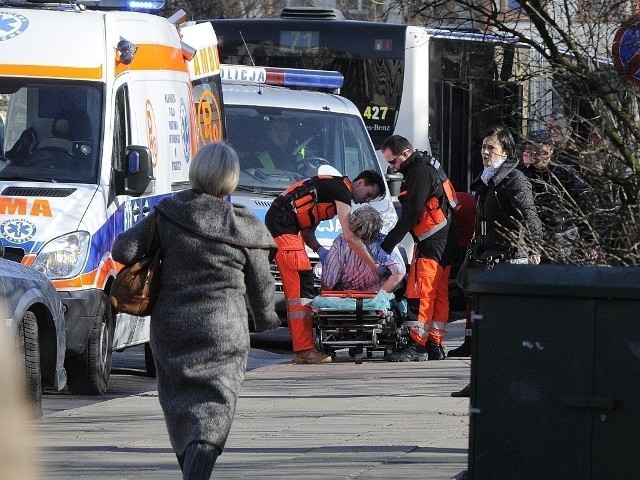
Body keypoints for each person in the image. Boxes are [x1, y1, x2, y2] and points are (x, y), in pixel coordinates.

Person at [112, 142, 279, 479]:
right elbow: (262, 285)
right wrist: (265, 320)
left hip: (171, 326)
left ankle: (192, 470)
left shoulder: (170, 211)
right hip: (224, 328)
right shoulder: (243, 225)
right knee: (216, 405)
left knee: (179, 405)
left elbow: (124, 248)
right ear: (231, 179)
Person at [451, 124, 542, 398]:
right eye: (483, 147)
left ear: (505, 151)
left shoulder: (513, 179)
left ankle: (518, 380)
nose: (486, 152)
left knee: (509, 326)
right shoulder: (488, 181)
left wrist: (536, 246)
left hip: (511, 262)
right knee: (484, 324)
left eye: (491, 147)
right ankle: (481, 380)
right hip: (488, 261)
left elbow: (530, 213)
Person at [265, 170, 386, 364]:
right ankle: (304, 350)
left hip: (284, 227)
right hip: (283, 228)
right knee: (300, 290)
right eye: (368, 194)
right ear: (360, 182)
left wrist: (319, 250)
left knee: (299, 288)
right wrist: (375, 265)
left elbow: (306, 230)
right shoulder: (341, 191)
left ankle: (302, 346)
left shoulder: (330, 188)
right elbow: (350, 237)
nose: (365, 201)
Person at [379, 135, 458, 362]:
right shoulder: (427, 165)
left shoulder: (419, 172)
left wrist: (387, 244)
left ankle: (417, 345)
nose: (391, 167)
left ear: (404, 154)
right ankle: (434, 343)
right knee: (438, 292)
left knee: (422, 292)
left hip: (432, 240)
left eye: (392, 162)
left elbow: (412, 214)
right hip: (444, 239)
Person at [522, 129, 600, 263]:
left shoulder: (566, 174)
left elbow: (586, 205)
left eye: (539, 148)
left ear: (551, 150)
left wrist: (590, 242)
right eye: (530, 148)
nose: (535, 153)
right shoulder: (524, 176)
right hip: (537, 241)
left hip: (566, 239)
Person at [321, 205, 406, 294]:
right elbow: (399, 273)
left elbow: (328, 284)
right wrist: (379, 298)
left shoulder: (340, 245)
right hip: (373, 297)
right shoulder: (385, 244)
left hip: (345, 297)